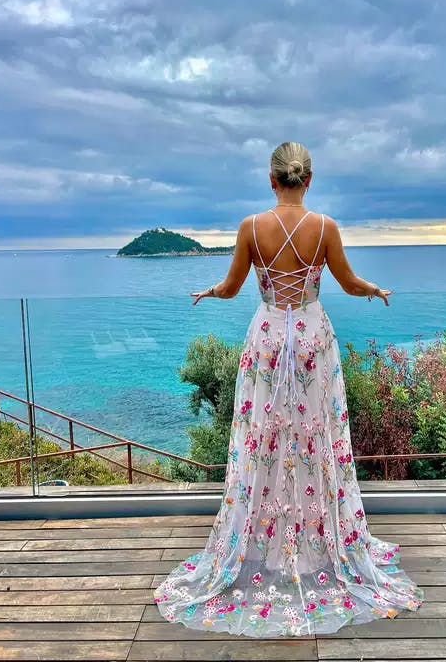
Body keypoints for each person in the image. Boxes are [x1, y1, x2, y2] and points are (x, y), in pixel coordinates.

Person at [154, 141, 424, 637]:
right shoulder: (326, 227)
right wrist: (375, 290)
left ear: (271, 179)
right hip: (312, 340)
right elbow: (348, 283)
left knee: (265, 436)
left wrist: (209, 291)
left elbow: (232, 288)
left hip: (268, 339)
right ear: (309, 179)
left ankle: (264, 542)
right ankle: (316, 542)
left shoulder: (250, 227)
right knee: (313, 435)